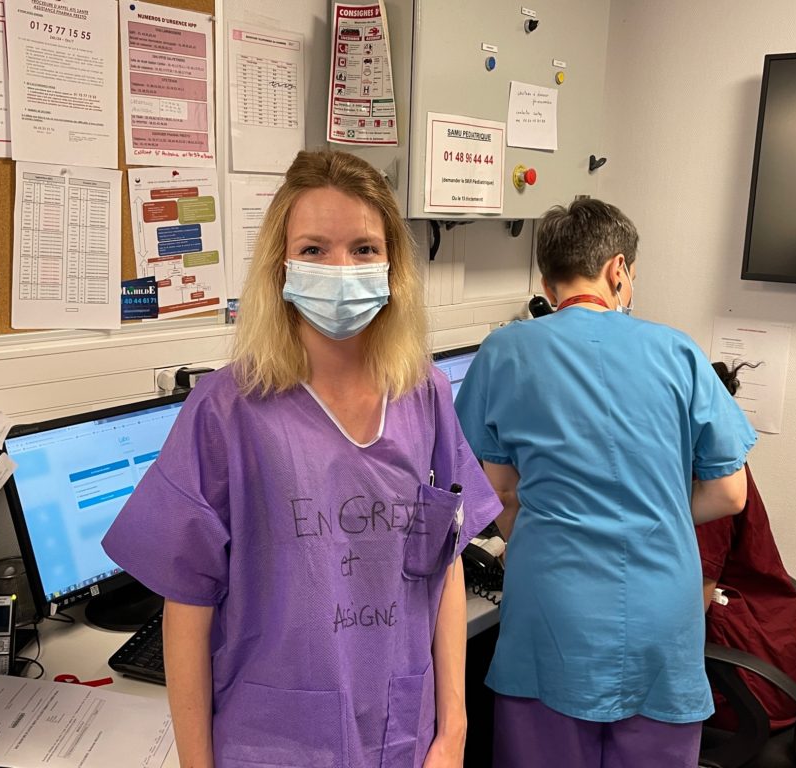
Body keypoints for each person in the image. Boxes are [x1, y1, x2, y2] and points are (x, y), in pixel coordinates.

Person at [103, 150, 501, 768]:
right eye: (314, 249)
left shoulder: (422, 394)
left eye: (364, 249)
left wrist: (454, 731)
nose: (341, 269)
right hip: (272, 739)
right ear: (281, 265)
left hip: (402, 734)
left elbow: (444, 562)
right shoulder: (227, 411)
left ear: (393, 266)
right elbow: (186, 607)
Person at [453, 198, 757, 768]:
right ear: (619, 270)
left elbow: (498, 492)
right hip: (660, 616)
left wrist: (542, 529)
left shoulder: (504, 351)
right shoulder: (678, 351)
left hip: (551, 610)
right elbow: (729, 493)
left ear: (547, 280)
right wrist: (651, 512)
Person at [697, 361, 796, 732]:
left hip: (747, 687)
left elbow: (693, 607)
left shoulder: (707, 482)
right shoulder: (723, 462)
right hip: (768, 653)